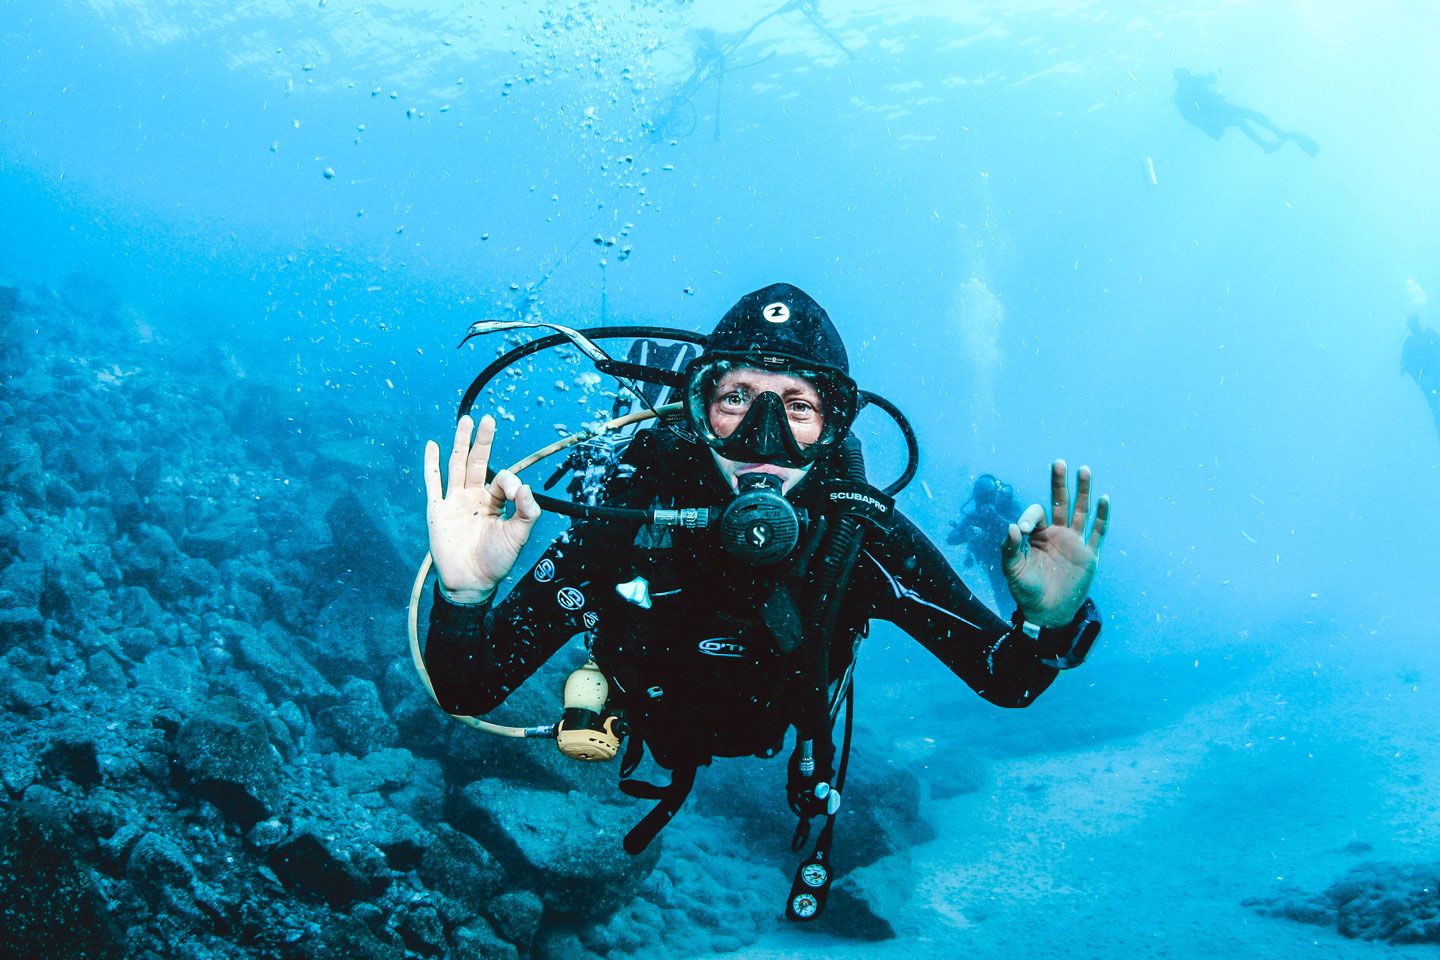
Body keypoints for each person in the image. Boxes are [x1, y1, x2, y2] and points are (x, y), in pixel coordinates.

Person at [421, 282, 1109, 918]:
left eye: (799, 407)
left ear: (833, 427)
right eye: (736, 399)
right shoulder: (627, 526)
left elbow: (1005, 679)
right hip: (646, 718)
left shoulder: (859, 537)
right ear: (698, 409)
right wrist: (464, 593)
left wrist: (1047, 623)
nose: (764, 437)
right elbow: (468, 687)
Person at [1172, 68, 1320, 157]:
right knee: (1242, 120)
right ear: (1182, 77)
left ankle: (1273, 137)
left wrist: (1211, 76)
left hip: (1220, 109)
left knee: (1248, 115)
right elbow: (1208, 83)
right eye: (1187, 73)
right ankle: (1268, 141)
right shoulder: (1187, 90)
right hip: (1215, 114)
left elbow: (1211, 79)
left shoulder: (1192, 83)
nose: (1190, 74)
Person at [947, 473, 1023, 615]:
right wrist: (965, 534)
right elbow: (951, 539)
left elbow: (1021, 532)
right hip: (994, 568)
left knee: (1025, 600)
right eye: (981, 499)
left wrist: (995, 518)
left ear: (996, 495)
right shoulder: (975, 516)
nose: (985, 503)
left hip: (1020, 566)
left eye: (988, 497)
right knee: (1005, 605)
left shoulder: (1010, 507)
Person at [1402, 313, 1440, 442]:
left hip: (1431, 377)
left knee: (1436, 409)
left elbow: (1404, 366)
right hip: (1429, 379)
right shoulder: (1411, 342)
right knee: (1436, 409)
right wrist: (1420, 379)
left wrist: (1419, 379)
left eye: (1414, 322)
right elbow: (1404, 365)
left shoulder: (1424, 336)